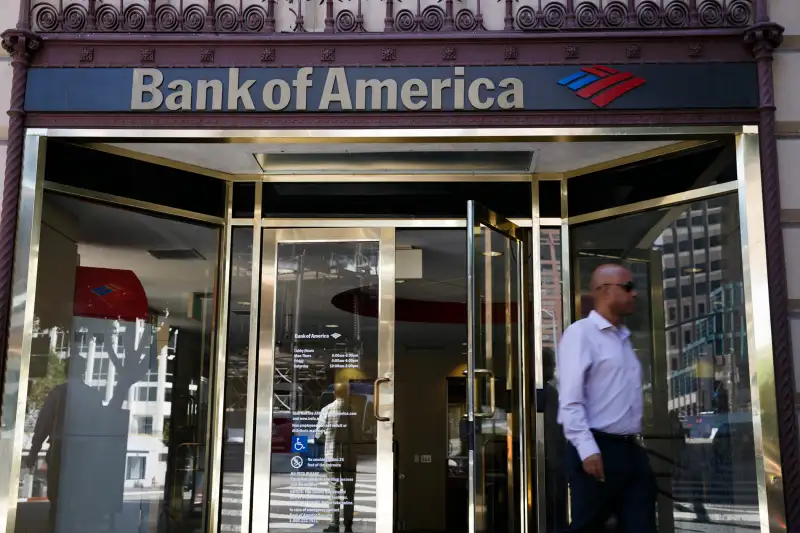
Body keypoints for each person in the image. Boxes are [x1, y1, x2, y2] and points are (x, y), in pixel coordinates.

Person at [556, 263, 657, 533]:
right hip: (597, 448)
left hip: (630, 450)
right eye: (628, 287)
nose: (634, 294)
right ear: (603, 290)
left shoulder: (622, 338)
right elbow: (570, 399)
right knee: (588, 527)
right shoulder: (581, 334)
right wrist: (587, 449)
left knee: (642, 525)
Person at [315, 382, 361, 533]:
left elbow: (318, 435)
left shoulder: (326, 410)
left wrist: (330, 439)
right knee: (349, 492)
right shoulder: (353, 411)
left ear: (334, 393)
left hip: (331, 456)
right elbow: (358, 435)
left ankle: (334, 525)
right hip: (349, 457)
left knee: (334, 490)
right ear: (347, 394)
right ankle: (348, 525)